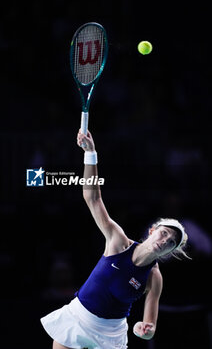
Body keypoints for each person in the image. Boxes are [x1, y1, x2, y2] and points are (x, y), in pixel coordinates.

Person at [40, 130, 189, 349]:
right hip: (78, 318)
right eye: (165, 233)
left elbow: (149, 327)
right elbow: (92, 197)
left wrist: (143, 330)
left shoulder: (154, 278)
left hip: (110, 335)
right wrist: (91, 153)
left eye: (172, 243)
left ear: (169, 252)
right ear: (152, 230)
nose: (166, 240)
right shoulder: (118, 242)